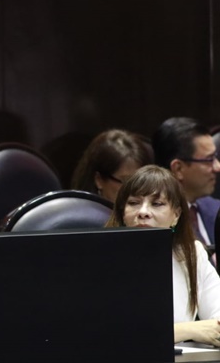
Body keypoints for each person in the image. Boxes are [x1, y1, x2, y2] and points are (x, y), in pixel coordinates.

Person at [106, 165, 220, 345]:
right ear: (122, 212)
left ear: (176, 215)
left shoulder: (192, 253)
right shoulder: (103, 257)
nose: (143, 212)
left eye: (157, 204)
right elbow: (111, 334)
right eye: (134, 203)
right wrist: (187, 330)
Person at [152, 117, 220, 246]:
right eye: (209, 159)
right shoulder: (155, 222)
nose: (218, 167)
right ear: (178, 168)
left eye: (215, 157)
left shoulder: (215, 208)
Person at [71, 129, 153, 202]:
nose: (135, 190)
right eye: (125, 181)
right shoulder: (81, 214)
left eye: (140, 181)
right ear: (99, 180)